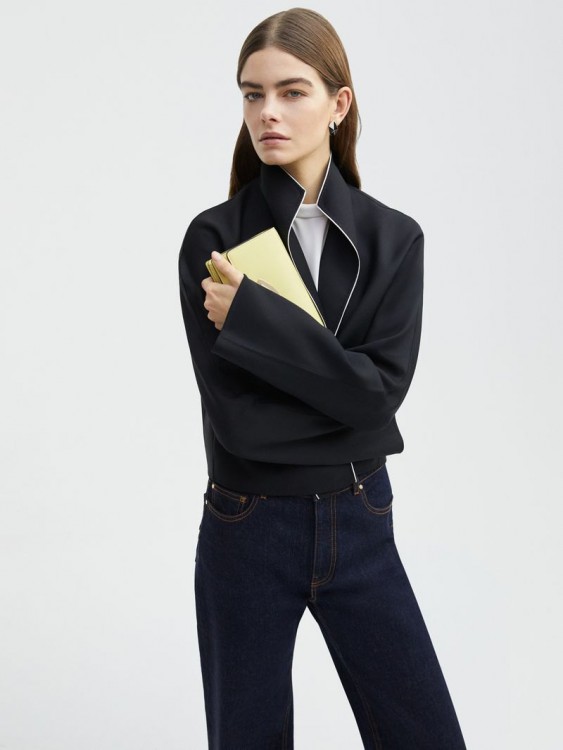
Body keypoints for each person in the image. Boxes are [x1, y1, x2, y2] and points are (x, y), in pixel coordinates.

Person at [178, 8, 466, 749]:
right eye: (252, 94)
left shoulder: (393, 239)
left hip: (360, 518)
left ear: (338, 104)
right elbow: (239, 421)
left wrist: (254, 320)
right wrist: (349, 405)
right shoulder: (215, 238)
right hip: (246, 525)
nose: (267, 112)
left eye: (291, 91)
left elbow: (379, 395)